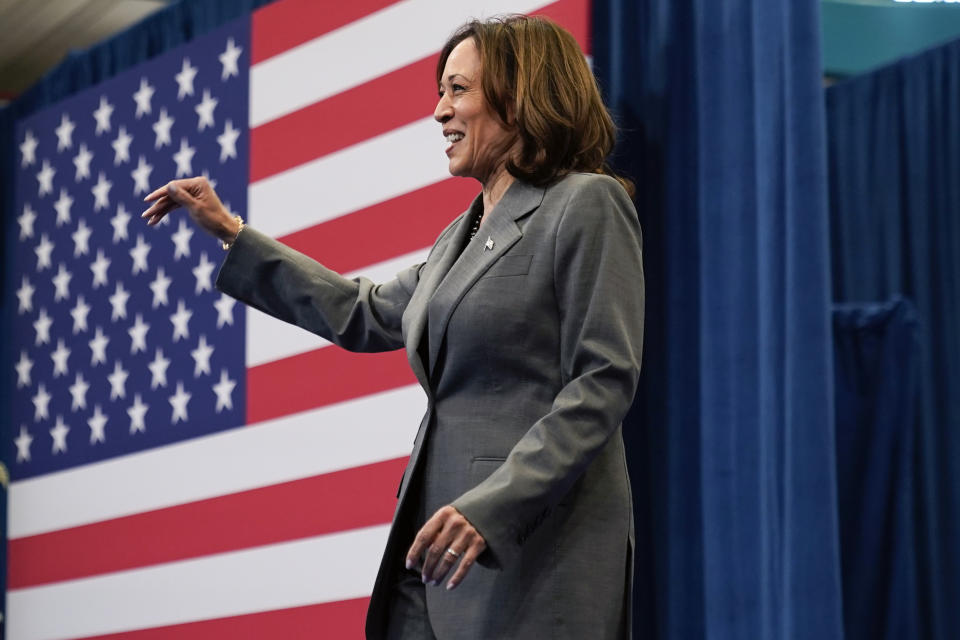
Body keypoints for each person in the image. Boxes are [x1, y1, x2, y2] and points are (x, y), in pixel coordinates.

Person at [142, 14, 644, 639]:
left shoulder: (587, 203)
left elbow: (602, 382)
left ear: (520, 98)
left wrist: (493, 507)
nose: (439, 111)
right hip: (432, 556)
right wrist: (231, 231)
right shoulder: (459, 238)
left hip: (531, 551)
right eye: (441, 92)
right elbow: (364, 310)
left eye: (458, 90)